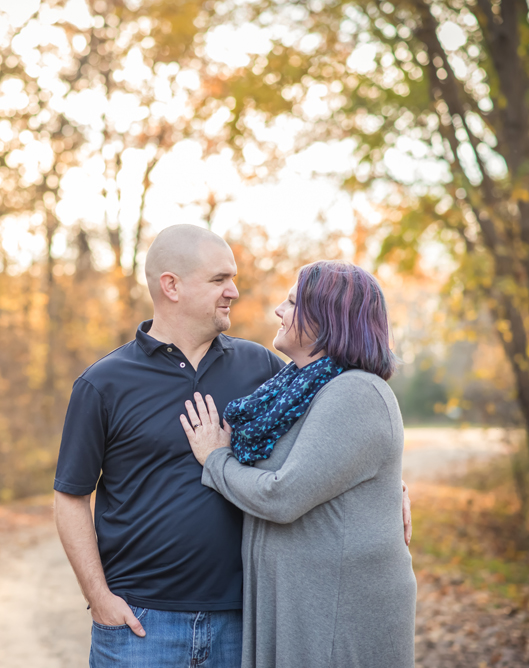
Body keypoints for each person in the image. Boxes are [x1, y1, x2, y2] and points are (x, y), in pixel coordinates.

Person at [54, 228, 410, 668]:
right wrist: (99, 598)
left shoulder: (263, 369)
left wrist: (393, 488)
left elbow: (342, 431)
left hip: (241, 622)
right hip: (141, 623)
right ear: (172, 286)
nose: (234, 291)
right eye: (220, 279)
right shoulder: (104, 383)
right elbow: (70, 496)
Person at [180, 260, 417, 668]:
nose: (278, 310)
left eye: (292, 302)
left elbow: (283, 495)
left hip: (335, 616)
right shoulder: (298, 389)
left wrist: (216, 459)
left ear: (327, 319)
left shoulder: (355, 392)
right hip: (301, 608)